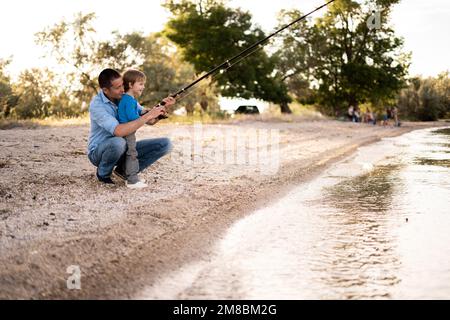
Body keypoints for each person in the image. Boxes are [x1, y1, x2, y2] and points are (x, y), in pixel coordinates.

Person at [87, 68, 176, 185]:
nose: (122, 89)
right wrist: (148, 116)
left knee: (165, 144)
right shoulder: (97, 105)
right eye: (117, 87)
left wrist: (162, 107)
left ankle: (123, 171)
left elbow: (147, 118)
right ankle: (103, 173)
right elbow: (118, 131)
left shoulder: (125, 98)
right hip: (100, 152)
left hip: (125, 148)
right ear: (105, 90)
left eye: (122, 85)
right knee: (118, 142)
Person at [117, 69, 149, 189]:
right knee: (132, 154)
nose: (143, 87)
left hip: (127, 130)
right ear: (130, 85)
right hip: (128, 131)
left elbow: (134, 111)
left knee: (129, 153)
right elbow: (131, 117)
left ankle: (128, 175)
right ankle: (132, 180)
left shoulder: (128, 99)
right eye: (140, 84)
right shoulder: (129, 100)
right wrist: (145, 116)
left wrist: (143, 111)